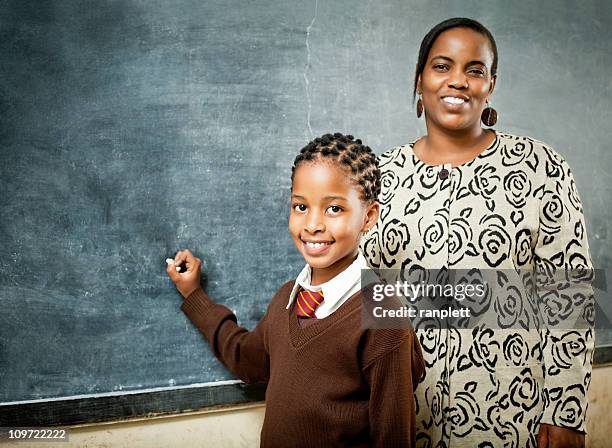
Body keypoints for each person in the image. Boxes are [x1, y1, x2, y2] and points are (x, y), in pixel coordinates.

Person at [362, 18, 593, 448]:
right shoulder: (379, 177)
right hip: (402, 415)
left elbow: (569, 295)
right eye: (442, 66)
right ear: (419, 78)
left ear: (491, 84)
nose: (458, 81)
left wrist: (566, 414)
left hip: (511, 413)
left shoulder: (541, 168)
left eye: (475, 69)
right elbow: (366, 296)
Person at [166, 133, 425, 447]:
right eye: (301, 206)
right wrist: (194, 296)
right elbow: (247, 359)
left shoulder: (384, 318)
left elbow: (394, 438)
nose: (312, 224)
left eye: (334, 209)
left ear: (368, 216)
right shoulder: (287, 299)